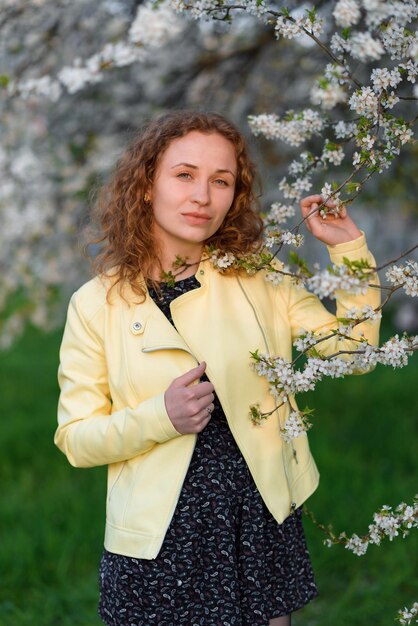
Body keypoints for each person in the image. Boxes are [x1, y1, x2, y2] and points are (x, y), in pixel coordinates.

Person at [55, 110, 381, 626]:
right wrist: (161, 416)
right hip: (157, 539)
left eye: (221, 181)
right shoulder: (96, 304)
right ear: (146, 185)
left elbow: (356, 353)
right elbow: (76, 438)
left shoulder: (261, 280)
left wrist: (348, 251)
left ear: (235, 195)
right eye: (184, 175)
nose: (202, 196)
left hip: (256, 519)